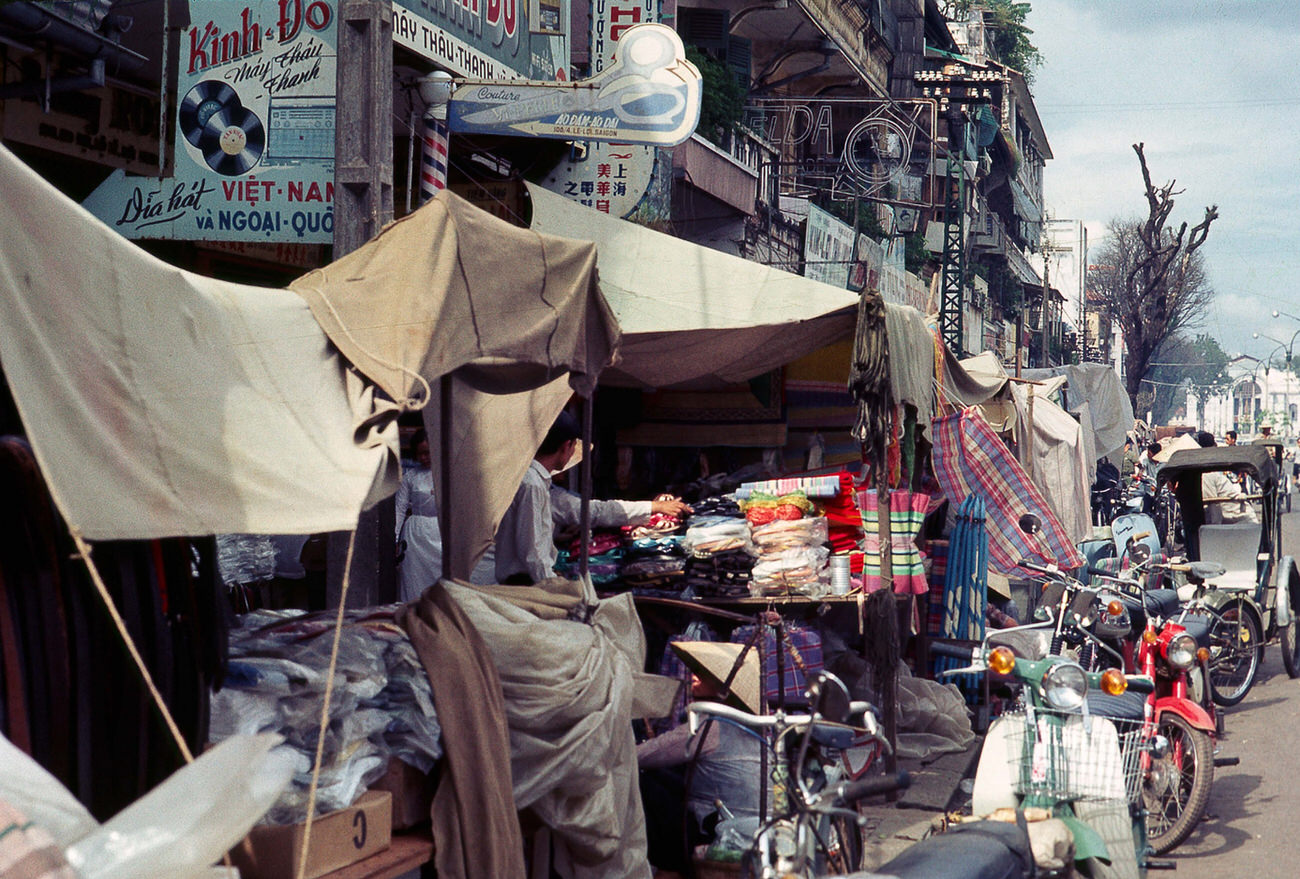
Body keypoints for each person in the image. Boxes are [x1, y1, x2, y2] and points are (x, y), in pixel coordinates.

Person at [473, 411, 693, 585]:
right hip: (522, 583)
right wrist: (552, 585)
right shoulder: (531, 484)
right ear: (566, 446)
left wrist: (653, 507)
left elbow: (591, 511)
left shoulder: (534, 482)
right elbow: (532, 552)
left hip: (522, 579)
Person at [637, 641, 764, 872]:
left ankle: (669, 869)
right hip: (745, 821)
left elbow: (645, 755)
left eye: (705, 674)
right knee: (663, 776)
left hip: (723, 829)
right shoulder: (748, 723)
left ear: (723, 687)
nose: (694, 676)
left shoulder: (711, 724)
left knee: (642, 782)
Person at [394, 428, 443, 602]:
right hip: (416, 536)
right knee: (414, 582)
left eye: (427, 453)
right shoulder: (410, 477)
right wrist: (395, 539)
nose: (424, 458)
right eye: (419, 454)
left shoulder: (446, 474)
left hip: (441, 533)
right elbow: (399, 509)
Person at [1194, 431, 1257, 524]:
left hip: (1239, 519)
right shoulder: (1208, 470)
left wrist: (1213, 530)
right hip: (1230, 518)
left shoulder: (1207, 474)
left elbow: (1214, 507)